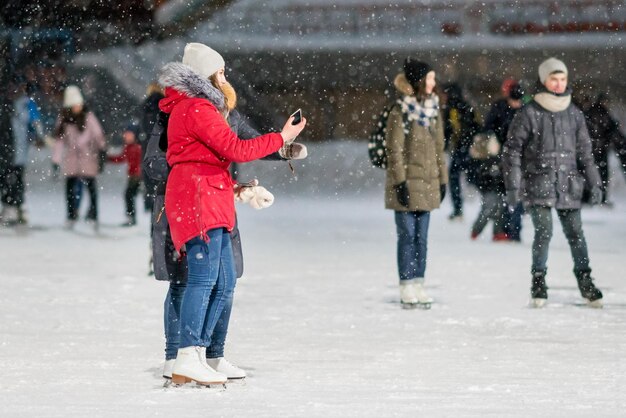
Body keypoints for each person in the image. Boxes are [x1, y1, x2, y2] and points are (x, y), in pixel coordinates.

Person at [158, 42, 306, 386]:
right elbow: (236, 149)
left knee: (224, 282)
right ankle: (187, 354)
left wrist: (240, 189)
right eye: (219, 71)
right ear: (204, 75)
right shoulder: (196, 107)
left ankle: (210, 353)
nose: (225, 77)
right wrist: (281, 137)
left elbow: (220, 154)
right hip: (197, 198)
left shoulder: (205, 107)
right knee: (201, 279)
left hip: (212, 195)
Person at [503, 57, 604, 309]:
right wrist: (514, 186)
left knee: (576, 234)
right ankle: (538, 281)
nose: (559, 84)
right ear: (544, 81)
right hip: (539, 182)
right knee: (544, 232)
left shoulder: (574, 114)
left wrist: (596, 183)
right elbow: (512, 151)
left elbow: (585, 153)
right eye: (553, 79)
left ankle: (585, 280)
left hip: (569, 183)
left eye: (562, 79)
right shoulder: (529, 113)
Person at [385, 57, 448, 308]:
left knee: (422, 237)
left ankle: (419, 282)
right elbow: (394, 150)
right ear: (418, 81)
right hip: (408, 184)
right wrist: (400, 183)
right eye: (429, 78)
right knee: (407, 235)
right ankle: (406, 284)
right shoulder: (400, 111)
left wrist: (442, 181)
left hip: (429, 183)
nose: (433, 82)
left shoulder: (433, 112)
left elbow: (439, 149)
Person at [52, 85, 106, 230]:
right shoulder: (63, 119)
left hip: (88, 157)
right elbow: (59, 141)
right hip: (72, 159)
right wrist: (56, 160)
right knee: (70, 188)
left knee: (91, 187)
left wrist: (101, 151)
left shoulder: (88, 117)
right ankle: (71, 215)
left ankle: (94, 214)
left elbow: (98, 134)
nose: (78, 107)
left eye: (79, 104)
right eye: (75, 104)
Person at [481, 80, 525, 241]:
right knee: (505, 195)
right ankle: (504, 230)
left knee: (515, 196)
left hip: (519, 159)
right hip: (502, 158)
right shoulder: (500, 108)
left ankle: (513, 231)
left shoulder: (524, 111)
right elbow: (488, 129)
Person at [0, 81, 45, 225]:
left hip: (18, 152)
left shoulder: (27, 104)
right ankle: (9, 207)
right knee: (5, 179)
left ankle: (18, 207)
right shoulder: (5, 104)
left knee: (16, 179)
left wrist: (39, 136)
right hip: (5, 150)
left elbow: (36, 122)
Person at [441, 82, 480, 221]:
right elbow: (477, 126)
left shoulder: (452, 109)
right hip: (469, 149)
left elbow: (449, 130)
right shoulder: (467, 106)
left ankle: (458, 210)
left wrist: (444, 146)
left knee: (455, 178)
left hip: (462, 149)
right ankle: (491, 203)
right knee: (473, 178)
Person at [581, 92, 626, 206]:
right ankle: (598, 198)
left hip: (592, 149)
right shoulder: (601, 114)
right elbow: (611, 132)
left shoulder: (591, 113)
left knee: (591, 174)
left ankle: (590, 197)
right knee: (601, 174)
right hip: (598, 149)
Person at [107, 123, 143, 226]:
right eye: (125, 134)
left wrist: (139, 174)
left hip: (136, 177)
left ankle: (131, 218)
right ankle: (130, 217)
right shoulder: (128, 147)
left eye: (128, 134)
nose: (125, 136)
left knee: (129, 195)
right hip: (133, 176)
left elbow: (140, 163)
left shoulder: (137, 148)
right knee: (129, 196)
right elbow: (121, 158)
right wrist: (109, 158)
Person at [140, 82, 165, 213]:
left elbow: (143, 126)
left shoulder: (146, 105)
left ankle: (149, 201)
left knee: (149, 175)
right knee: (161, 179)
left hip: (148, 144)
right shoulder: (164, 104)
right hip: (161, 145)